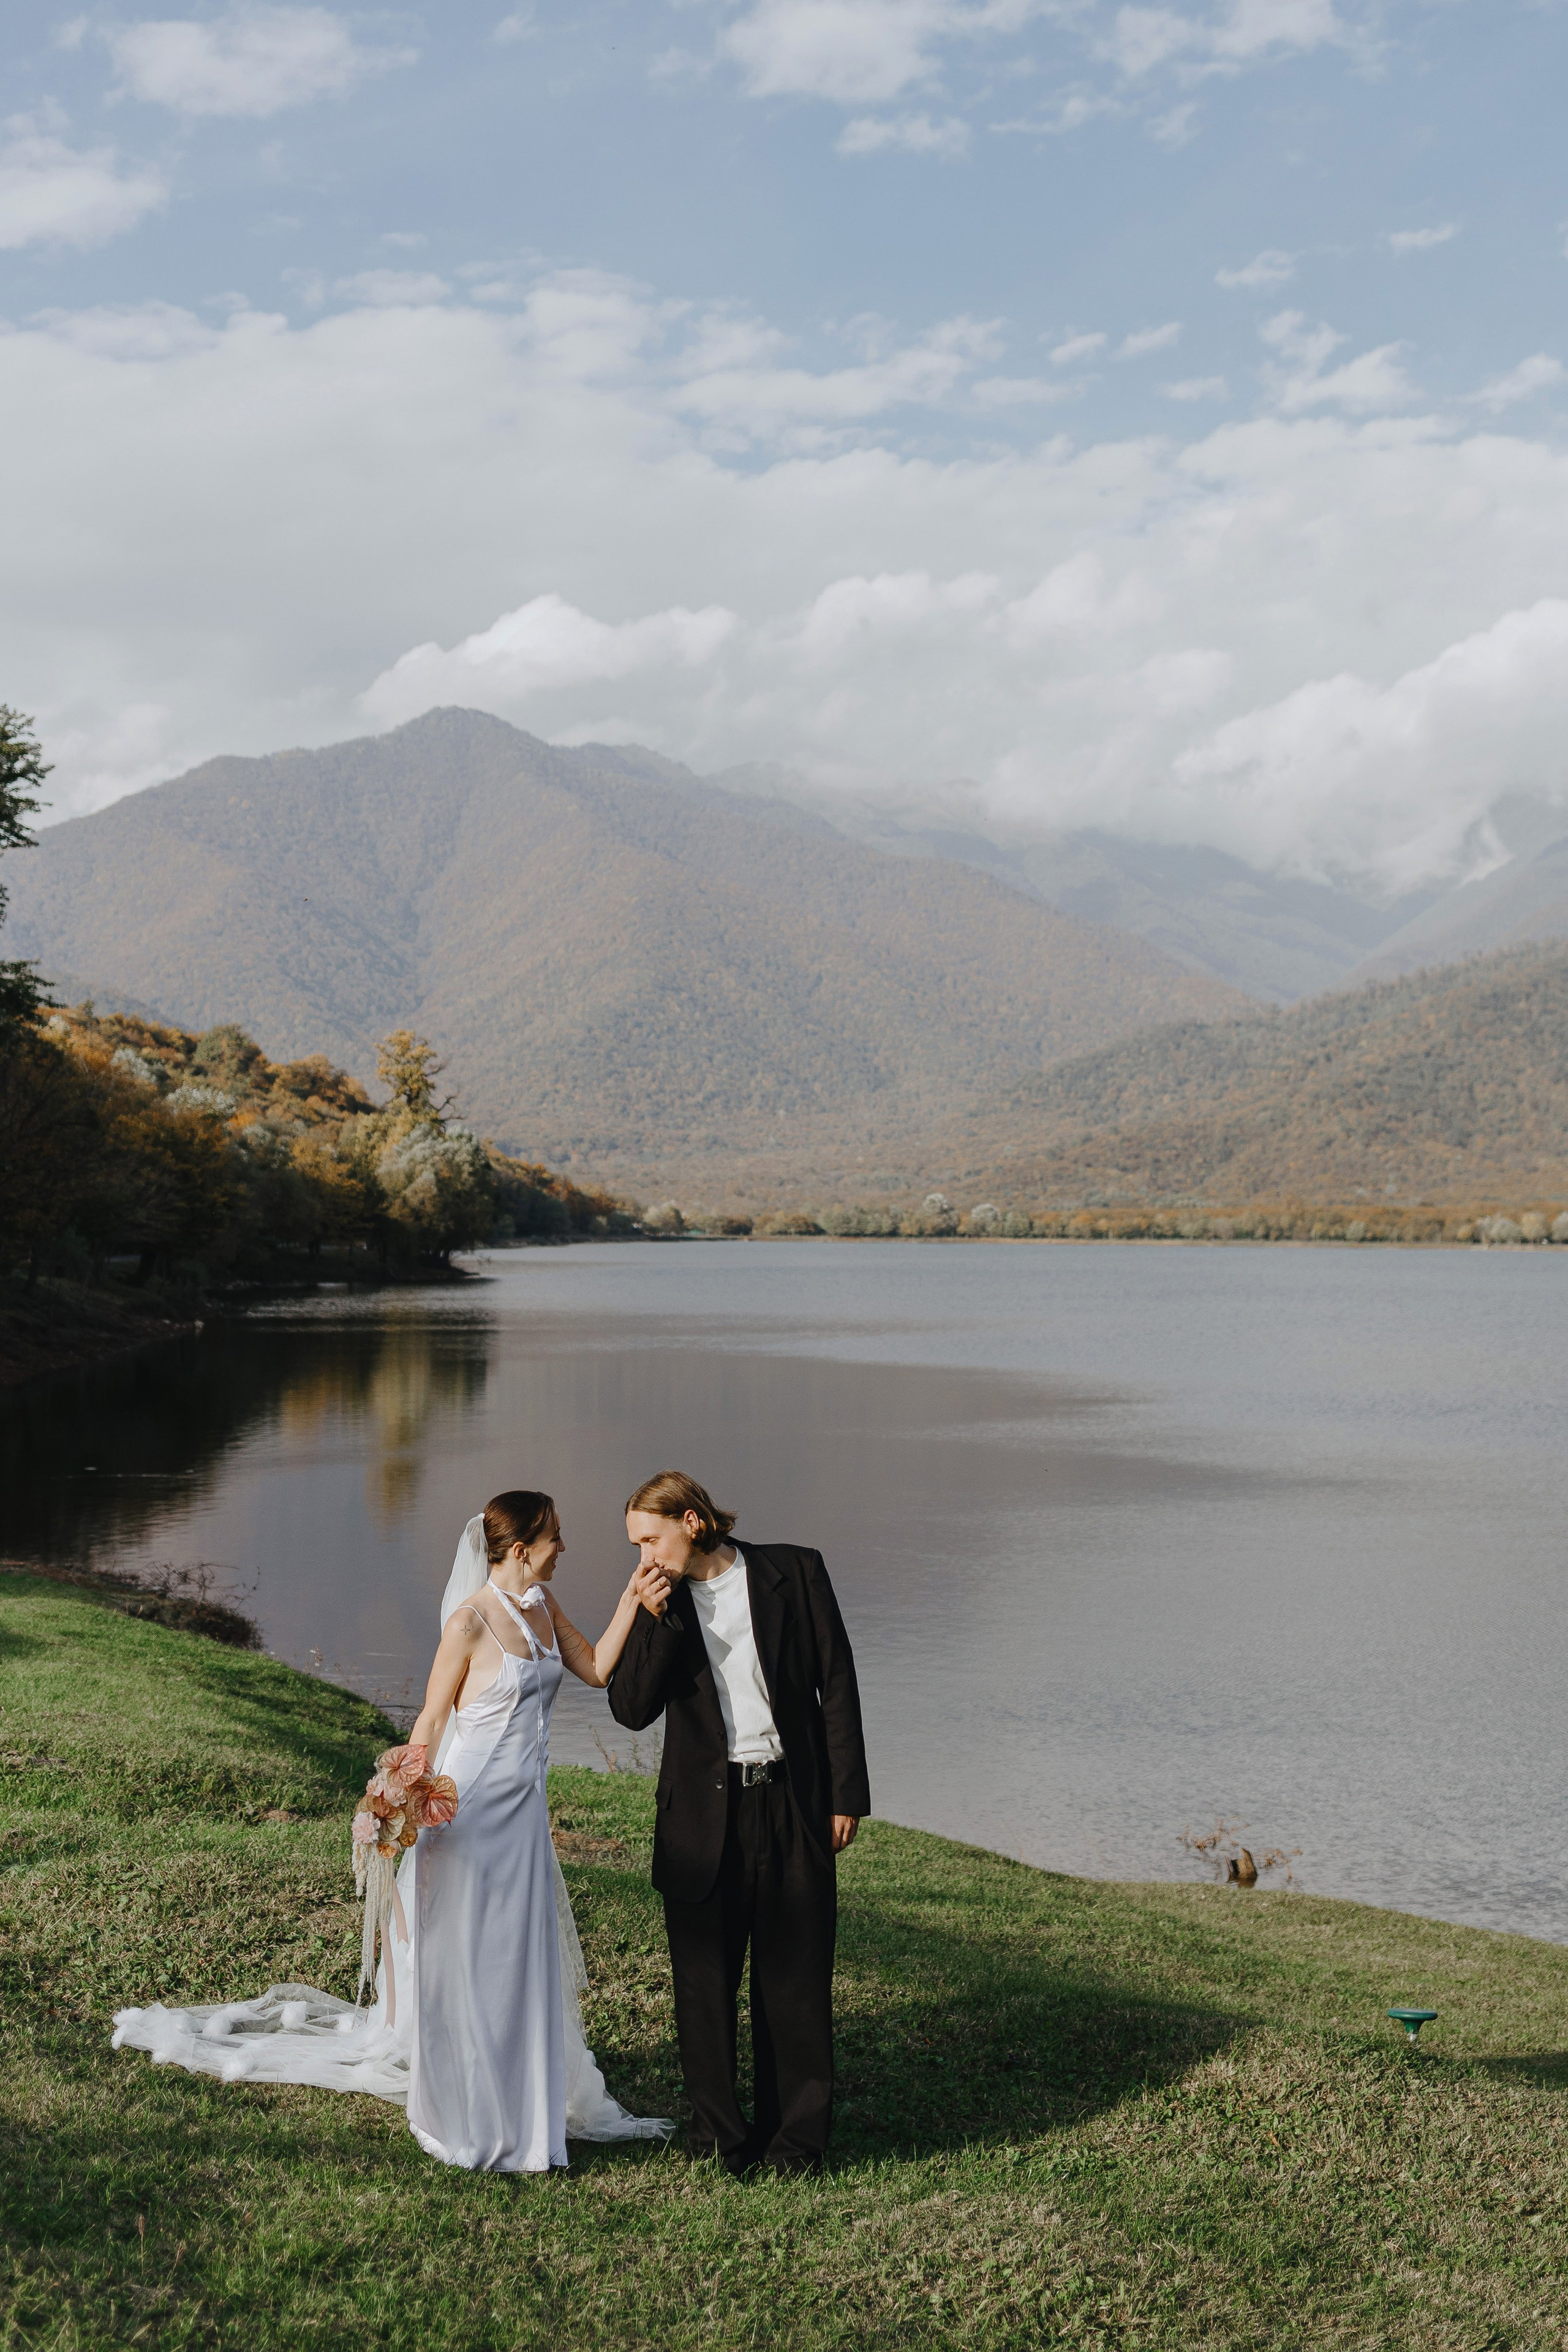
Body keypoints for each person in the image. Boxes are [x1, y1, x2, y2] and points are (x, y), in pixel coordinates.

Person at [112, 1489, 671, 2173]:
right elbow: (431, 1722)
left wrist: (631, 1599)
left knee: (517, 1961)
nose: (564, 1547)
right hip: (466, 1817)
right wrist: (395, 1799)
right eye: (556, 1536)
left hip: (524, 1820)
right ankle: (463, 2115)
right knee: (467, 1961)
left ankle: (524, 2111)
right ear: (523, 1548)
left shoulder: (543, 1607)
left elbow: (599, 1669)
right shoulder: (468, 1622)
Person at [607, 1469, 870, 2176]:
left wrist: (845, 1795)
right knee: (704, 1985)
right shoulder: (661, 1603)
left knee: (796, 1982)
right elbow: (629, 1708)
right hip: (701, 1817)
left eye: (650, 1539)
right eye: (636, 1546)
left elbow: (836, 1681)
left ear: (692, 1522)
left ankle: (796, 2144)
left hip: (792, 1804)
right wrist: (651, 1618)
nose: (644, 1557)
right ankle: (720, 2139)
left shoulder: (795, 1572)